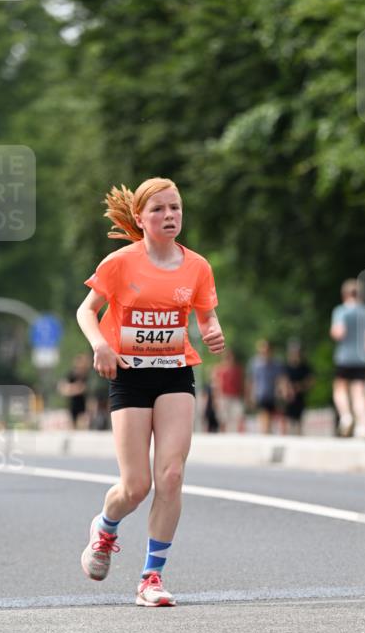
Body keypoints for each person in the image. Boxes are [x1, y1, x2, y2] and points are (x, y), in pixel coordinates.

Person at [76, 177, 224, 607]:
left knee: (172, 476)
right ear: (140, 219)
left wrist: (212, 332)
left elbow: (206, 316)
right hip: (130, 375)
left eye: (175, 208)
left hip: (176, 373)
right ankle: (105, 528)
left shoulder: (196, 266)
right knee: (136, 486)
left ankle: (151, 578)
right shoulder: (121, 263)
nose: (169, 216)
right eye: (158, 209)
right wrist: (100, 344)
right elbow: (87, 311)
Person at [330, 279, 365, 436]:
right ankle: (362, 424)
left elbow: (338, 333)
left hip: (344, 357)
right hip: (362, 358)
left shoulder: (341, 311)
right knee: (359, 392)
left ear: (345, 294)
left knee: (340, 388)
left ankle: (346, 416)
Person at [246, 339, 284, 434]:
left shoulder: (276, 364)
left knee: (271, 418)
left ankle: (267, 434)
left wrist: (282, 392)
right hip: (260, 395)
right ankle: (265, 434)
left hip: (272, 395)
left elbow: (280, 380)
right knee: (264, 415)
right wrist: (250, 395)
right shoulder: (255, 363)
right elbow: (251, 380)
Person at [280, 341, 314, 435]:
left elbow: (310, 381)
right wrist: (286, 390)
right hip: (288, 397)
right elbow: (282, 380)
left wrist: (299, 387)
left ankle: (298, 436)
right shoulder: (286, 366)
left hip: (300, 397)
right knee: (287, 419)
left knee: (299, 419)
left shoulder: (305, 367)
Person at [211, 349, 244, 432]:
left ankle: (236, 434)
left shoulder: (237, 369)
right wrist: (216, 398)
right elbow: (215, 385)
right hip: (223, 397)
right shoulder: (218, 369)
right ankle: (223, 434)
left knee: (238, 416)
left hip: (235, 396)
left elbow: (241, 383)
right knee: (223, 418)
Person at [58, 352, 91, 429]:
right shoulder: (71, 375)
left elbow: (84, 389)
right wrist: (76, 388)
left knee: (83, 426)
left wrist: (72, 389)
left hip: (83, 404)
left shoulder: (86, 376)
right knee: (73, 427)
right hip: (72, 404)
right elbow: (63, 388)